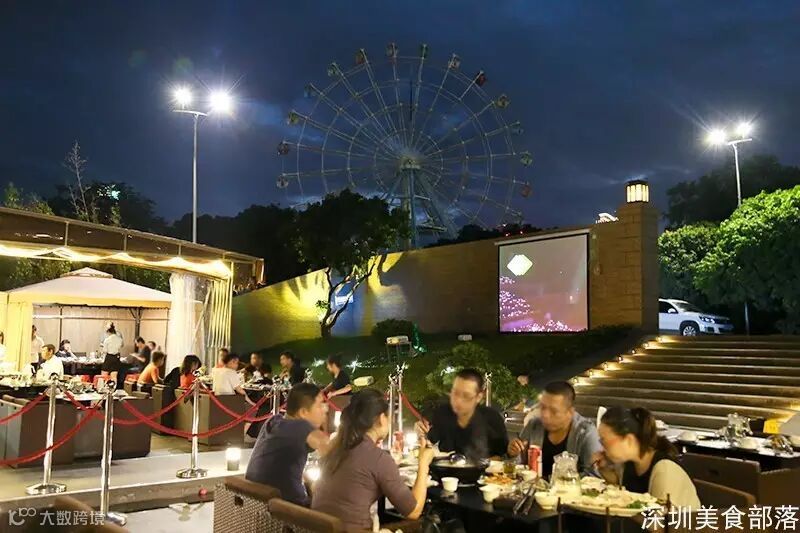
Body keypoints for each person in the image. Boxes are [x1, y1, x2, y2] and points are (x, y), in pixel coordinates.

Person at [313, 389, 434, 531]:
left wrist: (390, 463)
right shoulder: (378, 458)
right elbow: (413, 511)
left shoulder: (335, 448)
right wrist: (423, 463)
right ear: (382, 418)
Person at [595, 407, 700, 507]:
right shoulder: (628, 464)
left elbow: (661, 517)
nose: (602, 447)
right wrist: (605, 470)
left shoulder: (664, 469)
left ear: (629, 440)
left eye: (604, 440)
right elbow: (623, 493)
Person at [245, 383, 330, 505]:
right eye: (320, 405)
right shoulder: (301, 426)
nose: (325, 409)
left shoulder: (272, 422)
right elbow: (331, 450)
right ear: (303, 412)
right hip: (287, 509)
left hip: (256, 504)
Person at [508, 381, 601, 478]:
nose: (545, 415)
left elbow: (594, 476)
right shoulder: (534, 425)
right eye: (543, 407)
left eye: (554, 411)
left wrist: (557, 480)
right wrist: (513, 454)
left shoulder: (586, 433)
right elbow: (518, 464)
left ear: (570, 412)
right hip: (532, 486)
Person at [415, 368, 508, 459]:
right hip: (446, 468)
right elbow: (428, 441)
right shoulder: (443, 413)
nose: (458, 401)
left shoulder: (492, 418)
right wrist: (421, 433)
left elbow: (504, 455)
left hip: (484, 468)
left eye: (466, 396)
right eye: (455, 393)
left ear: (479, 397)